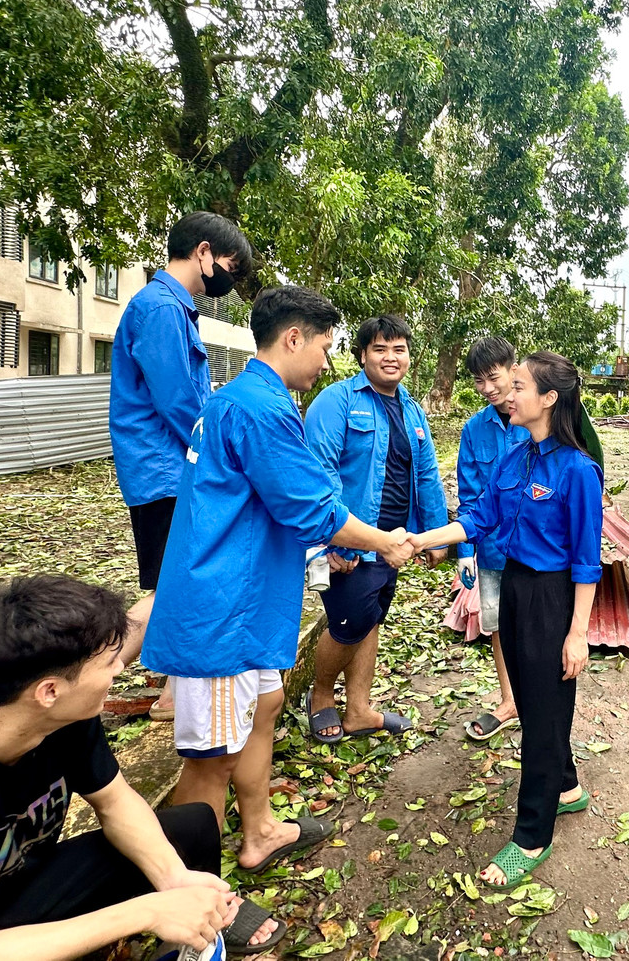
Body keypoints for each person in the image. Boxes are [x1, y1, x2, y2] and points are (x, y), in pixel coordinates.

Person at [0, 574, 285, 961]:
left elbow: (116, 802)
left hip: (13, 889)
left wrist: (174, 880)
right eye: (108, 663)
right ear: (49, 690)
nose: (121, 669)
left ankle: (192, 936)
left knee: (190, 829)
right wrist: (144, 912)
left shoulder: (62, 718)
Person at [140, 288, 415, 877]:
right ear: (294, 338)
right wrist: (386, 542)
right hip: (223, 610)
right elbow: (312, 507)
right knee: (209, 761)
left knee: (265, 706)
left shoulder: (259, 399)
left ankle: (260, 829)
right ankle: (196, 896)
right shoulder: (257, 408)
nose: (325, 360)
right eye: (324, 346)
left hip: (254, 599)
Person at [411, 351, 604, 886]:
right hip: (513, 584)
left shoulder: (579, 470)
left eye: (518, 386)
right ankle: (565, 786)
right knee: (532, 697)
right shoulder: (514, 457)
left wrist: (577, 633)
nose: (507, 394)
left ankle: (531, 835)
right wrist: (428, 539)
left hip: (552, 596)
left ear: (549, 399)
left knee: (543, 714)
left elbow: (588, 560)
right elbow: (478, 517)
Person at [110, 211, 253, 719]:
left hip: (169, 467)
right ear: (203, 253)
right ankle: (92, 671)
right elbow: (178, 402)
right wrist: (223, 453)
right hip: (166, 470)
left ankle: (170, 691)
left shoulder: (173, 309)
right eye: (229, 267)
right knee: (170, 582)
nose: (228, 280)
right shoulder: (160, 310)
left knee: (176, 581)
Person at [302, 315, 448, 744]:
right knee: (348, 624)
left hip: (394, 544)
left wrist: (436, 533)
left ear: (408, 356)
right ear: (362, 354)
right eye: (380, 349)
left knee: (371, 619)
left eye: (398, 349)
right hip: (352, 544)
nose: (390, 357)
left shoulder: (413, 409)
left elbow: (426, 473)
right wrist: (333, 537)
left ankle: (360, 710)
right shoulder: (336, 401)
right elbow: (319, 473)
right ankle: (322, 697)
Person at [453, 336, 530, 741]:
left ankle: (538, 705)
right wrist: (465, 551)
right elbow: (469, 494)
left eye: (493, 377)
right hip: (493, 550)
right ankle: (508, 700)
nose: (488, 388)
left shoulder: (540, 414)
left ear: (513, 368)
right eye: (479, 381)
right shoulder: (473, 429)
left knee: (538, 627)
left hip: (538, 553)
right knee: (498, 623)